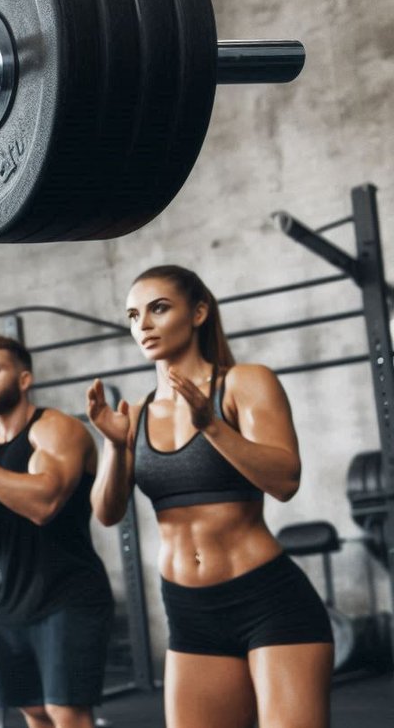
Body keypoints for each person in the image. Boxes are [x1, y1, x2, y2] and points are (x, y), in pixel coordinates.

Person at [86, 265, 330, 728]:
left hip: (268, 603)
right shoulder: (133, 414)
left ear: (198, 312)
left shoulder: (244, 383)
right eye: (134, 316)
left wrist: (212, 426)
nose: (145, 325)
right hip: (190, 612)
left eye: (159, 309)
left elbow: (285, 480)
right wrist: (117, 446)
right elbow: (106, 512)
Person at [0, 337, 112, 728]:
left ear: (25, 378)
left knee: (67, 712)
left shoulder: (53, 428)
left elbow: (44, 505)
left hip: (70, 594)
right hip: (14, 600)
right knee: (33, 710)